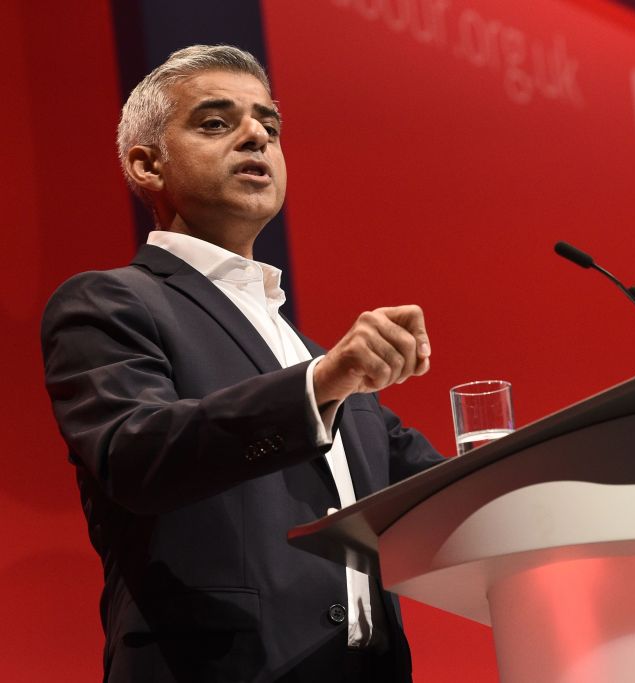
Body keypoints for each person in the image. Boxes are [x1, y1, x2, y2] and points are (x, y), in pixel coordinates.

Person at [41, 45, 444, 682]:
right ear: (147, 165)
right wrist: (321, 384)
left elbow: (443, 493)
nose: (257, 134)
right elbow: (136, 455)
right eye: (216, 122)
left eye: (270, 126)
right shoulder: (110, 302)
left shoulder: (308, 354)